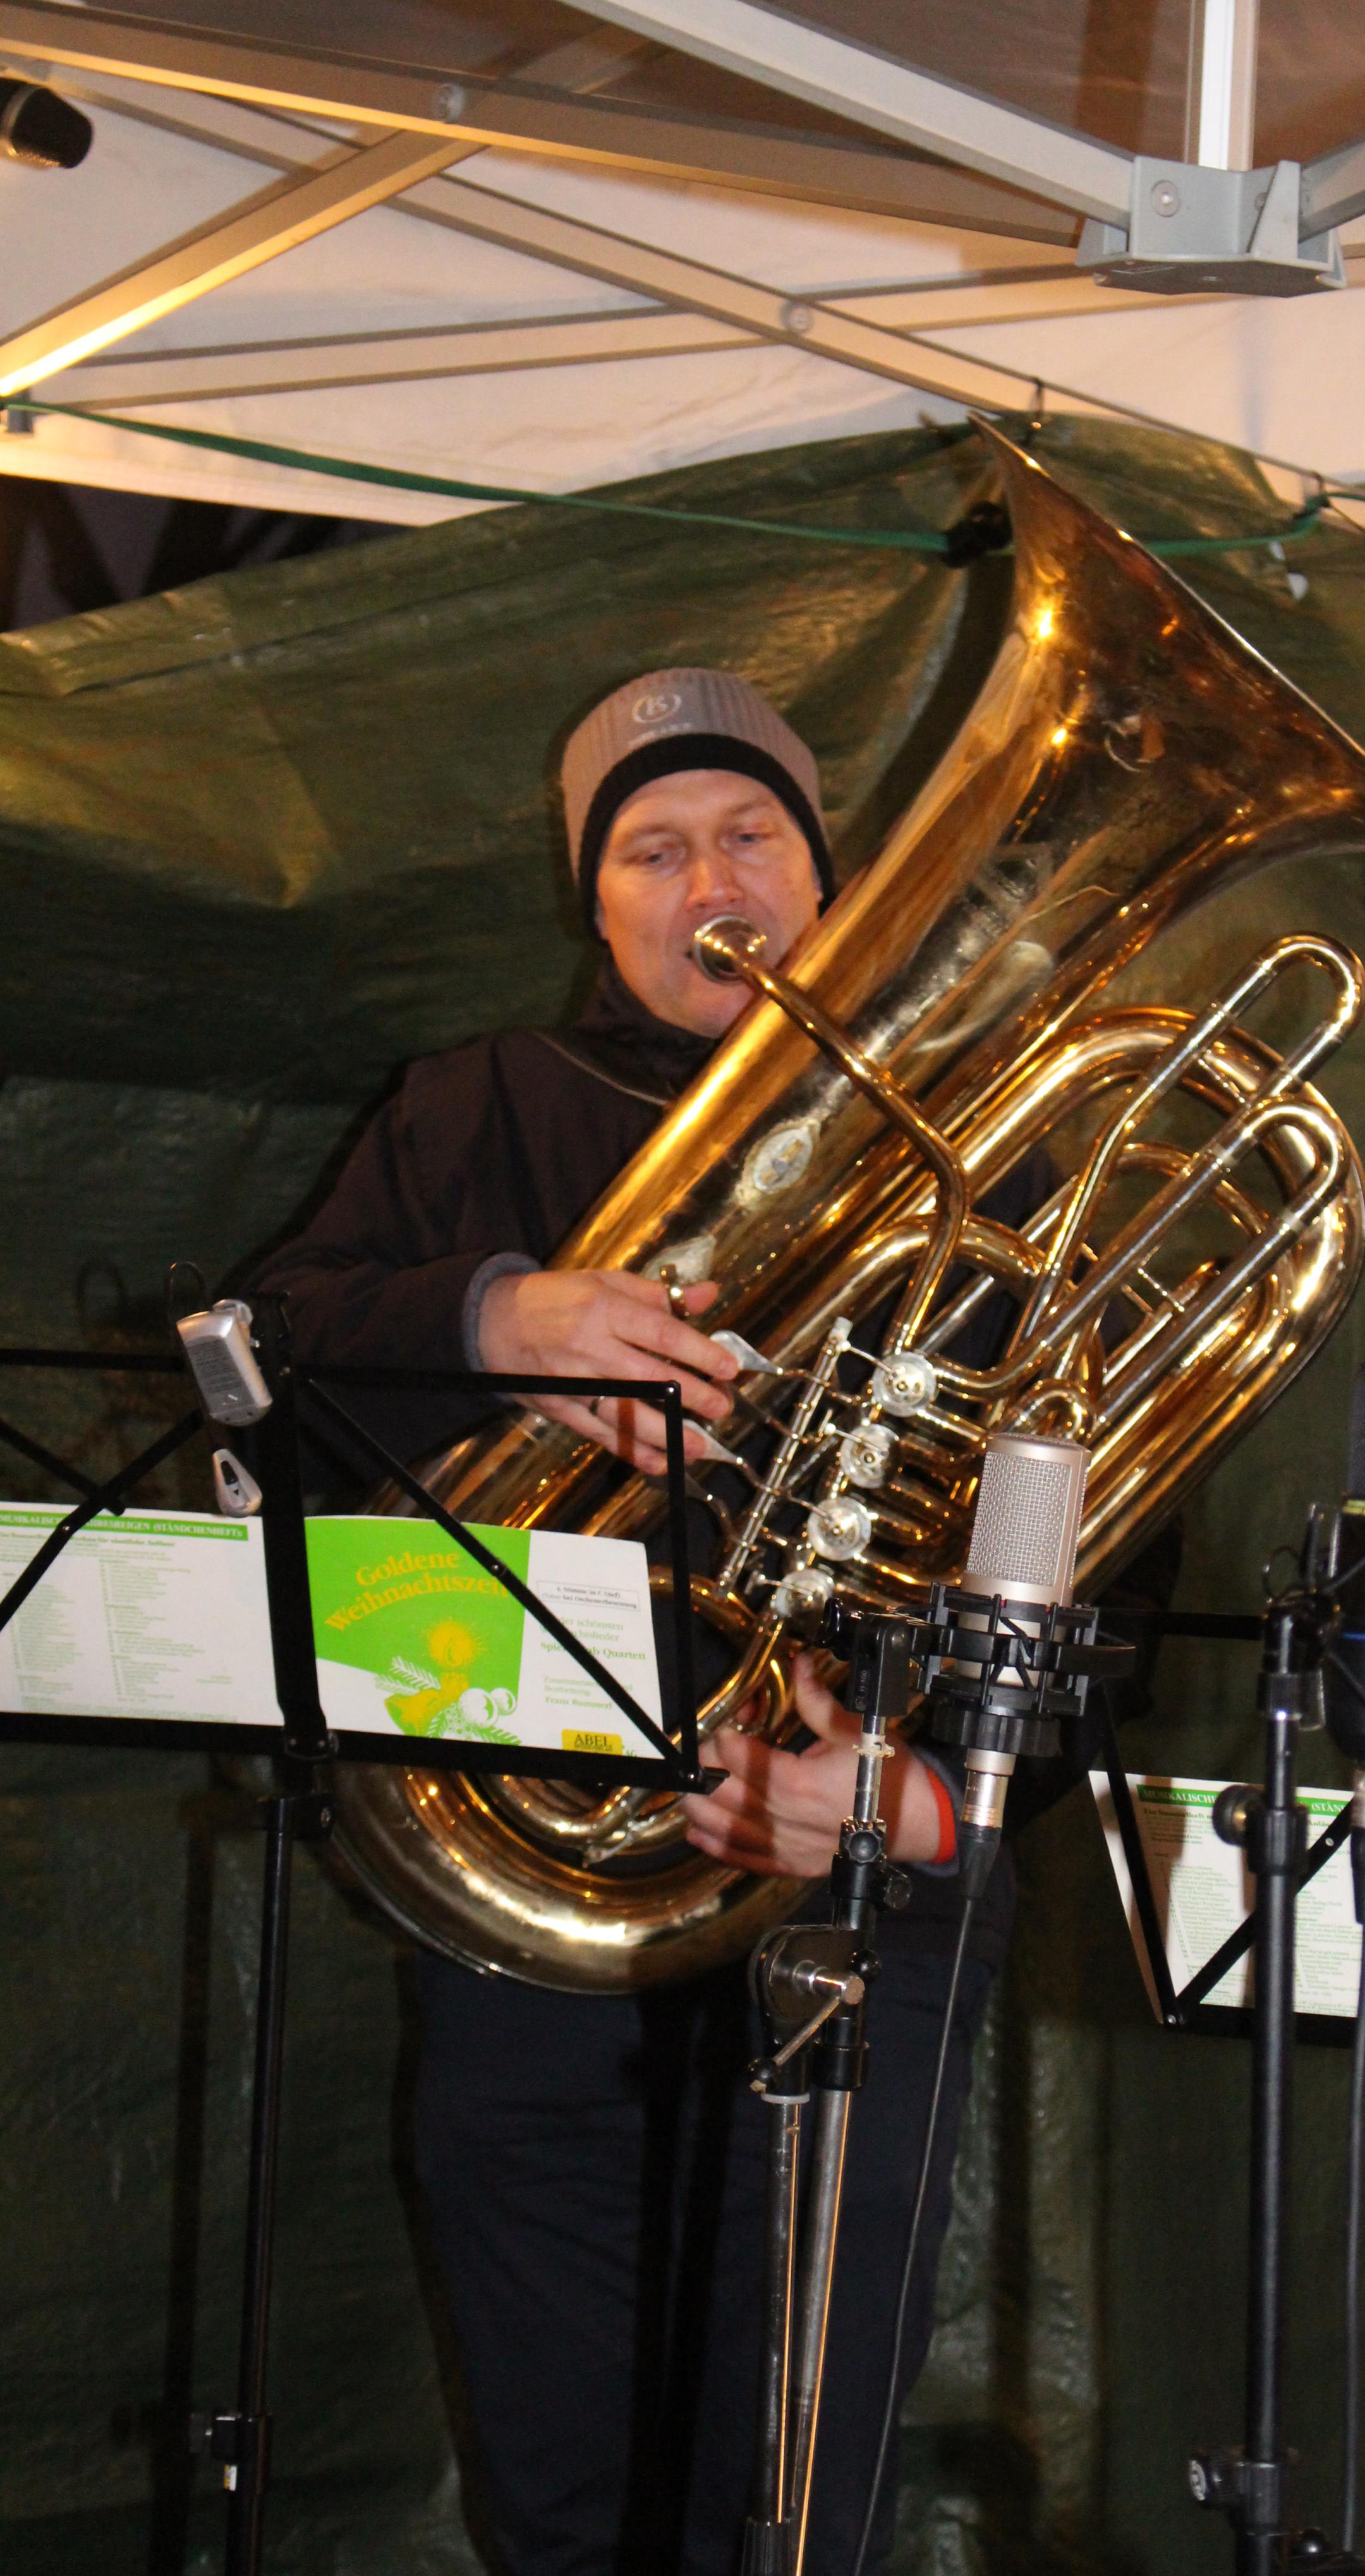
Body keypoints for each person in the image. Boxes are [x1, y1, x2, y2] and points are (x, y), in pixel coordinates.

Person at [252, 668, 1038, 2576]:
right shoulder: (473, 1111)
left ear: (827, 880)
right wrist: (490, 1316)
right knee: (558, 2481)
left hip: (852, 1887)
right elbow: (263, 1367)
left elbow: (1099, 1517)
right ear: (592, 902)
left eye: (751, 834)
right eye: (652, 849)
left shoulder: (977, 1134)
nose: (710, 881)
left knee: (797, 2503)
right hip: (528, 1899)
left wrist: (925, 1789)